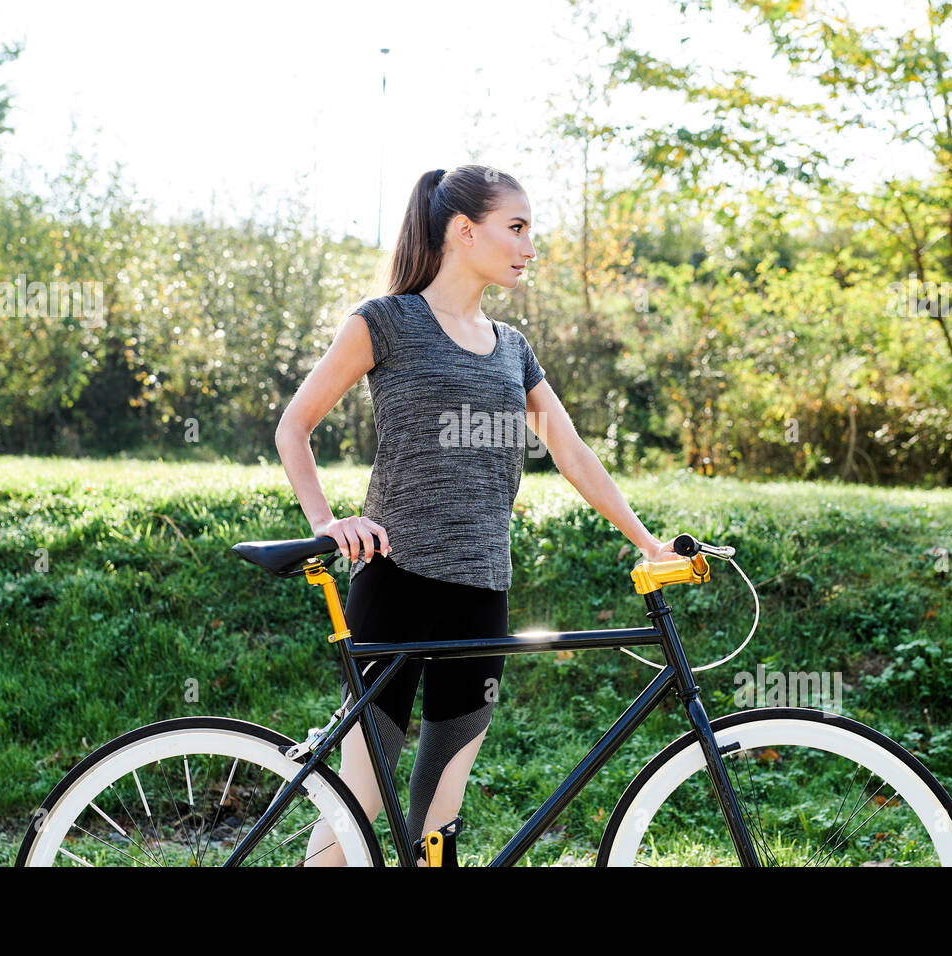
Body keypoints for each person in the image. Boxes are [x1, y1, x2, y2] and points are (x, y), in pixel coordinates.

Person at [274, 164, 679, 866]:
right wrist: (327, 522)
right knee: (358, 806)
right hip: (396, 579)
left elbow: (573, 451)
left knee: (439, 816)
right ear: (464, 232)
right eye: (516, 228)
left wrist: (646, 542)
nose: (530, 246)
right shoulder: (387, 323)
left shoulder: (512, 347)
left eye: (531, 231)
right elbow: (294, 427)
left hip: (484, 588)